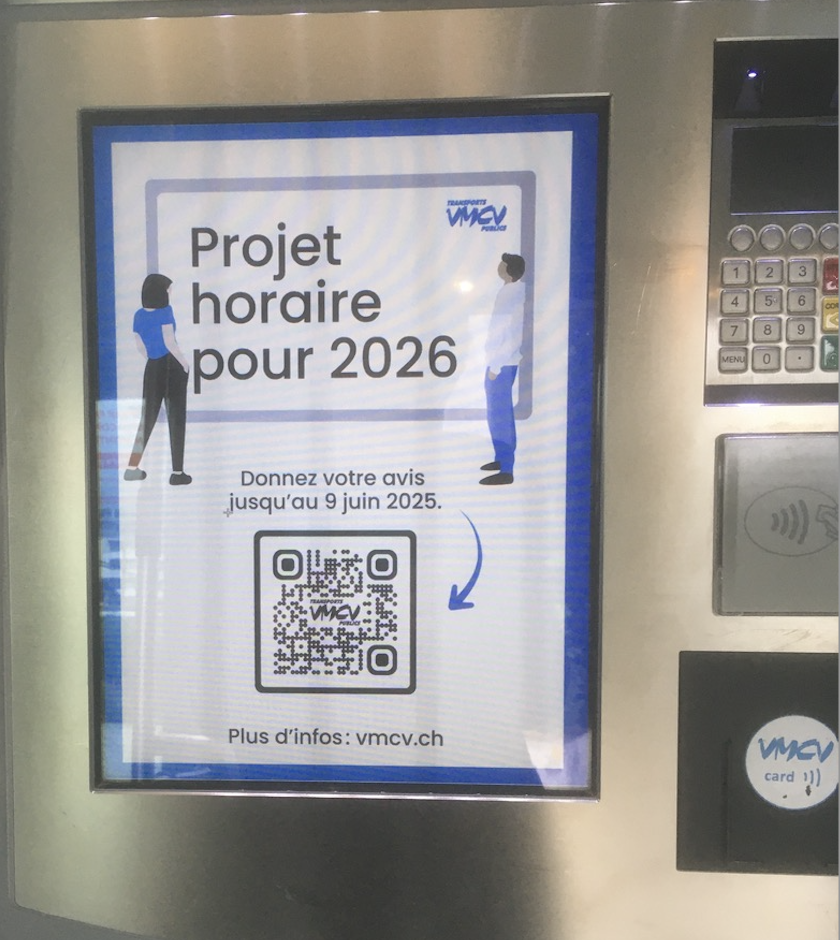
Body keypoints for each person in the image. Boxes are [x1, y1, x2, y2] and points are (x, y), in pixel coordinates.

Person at [124, 274, 192, 485]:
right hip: (171, 365)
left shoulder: (138, 315)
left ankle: (132, 467)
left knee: (147, 418)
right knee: (176, 418)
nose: (170, 293)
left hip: (152, 366)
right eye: (168, 289)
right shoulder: (165, 312)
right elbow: (170, 341)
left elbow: (140, 346)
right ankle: (177, 472)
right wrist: (184, 364)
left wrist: (152, 359)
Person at [480, 252, 526, 486]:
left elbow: (509, 332)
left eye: (503, 264)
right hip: (499, 360)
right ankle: (501, 458)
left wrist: (496, 365)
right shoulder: (509, 291)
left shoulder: (512, 294)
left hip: (502, 362)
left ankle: (507, 468)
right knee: (496, 413)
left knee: (500, 414)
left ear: (509, 270)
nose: (500, 266)